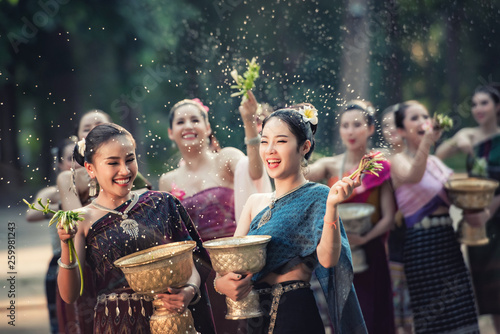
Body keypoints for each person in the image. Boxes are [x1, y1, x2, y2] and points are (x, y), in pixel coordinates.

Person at [215, 107, 367, 333]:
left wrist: (332, 208)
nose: (270, 151)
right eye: (265, 142)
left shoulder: (319, 196)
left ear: (304, 147)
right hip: (254, 316)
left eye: (281, 141)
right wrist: (222, 285)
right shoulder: (254, 203)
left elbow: (328, 260)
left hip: (295, 313)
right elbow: (229, 264)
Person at [56, 123, 215, 333]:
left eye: (130, 159)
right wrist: (66, 243)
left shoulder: (162, 203)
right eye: (113, 163)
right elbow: (70, 295)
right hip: (117, 324)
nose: (124, 170)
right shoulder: (81, 220)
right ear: (90, 169)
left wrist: (189, 290)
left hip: (173, 319)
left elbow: (194, 262)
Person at [159, 93, 271, 332]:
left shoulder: (226, 159)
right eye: (180, 122)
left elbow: (255, 172)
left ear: (207, 127)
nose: (188, 126)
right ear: (170, 132)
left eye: (195, 120)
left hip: (238, 265)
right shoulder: (167, 182)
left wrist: (249, 122)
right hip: (198, 275)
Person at [306, 101, 396, 334]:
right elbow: (297, 174)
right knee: (345, 318)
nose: (350, 131)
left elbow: (388, 217)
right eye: (345, 125)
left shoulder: (379, 165)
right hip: (338, 250)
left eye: (357, 124)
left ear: (371, 128)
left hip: (371, 248)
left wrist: (364, 239)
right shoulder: (329, 165)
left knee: (374, 314)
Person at [391, 101, 479, 333]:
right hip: (422, 246)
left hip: (448, 241)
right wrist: (428, 142)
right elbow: (413, 176)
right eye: (414, 118)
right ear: (401, 131)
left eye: (425, 116)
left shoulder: (437, 164)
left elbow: (459, 193)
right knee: (434, 317)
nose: (423, 122)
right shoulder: (398, 160)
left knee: (461, 313)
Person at [436, 85, 500, 331]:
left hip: (493, 217)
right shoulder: (470, 135)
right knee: (491, 295)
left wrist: (489, 211)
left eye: (484, 103)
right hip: (477, 222)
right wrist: (457, 139)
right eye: (474, 104)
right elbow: (439, 154)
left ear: (497, 107)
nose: (478, 109)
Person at [25, 137, 76, 334]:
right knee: (62, 322)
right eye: (71, 158)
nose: (76, 163)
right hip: (60, 262)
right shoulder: (52, 193)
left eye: (80, 157)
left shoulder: (95, 188)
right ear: (60, 163)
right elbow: (31, 214)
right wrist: (64, 207)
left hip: (91, 263)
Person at [381, 105, 413, 333]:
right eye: (385, 125)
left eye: (394, 123)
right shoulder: (380, 160)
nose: (390, 129)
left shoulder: (419, 158)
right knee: (392, 304)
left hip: (418, 235)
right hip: (390, 238)